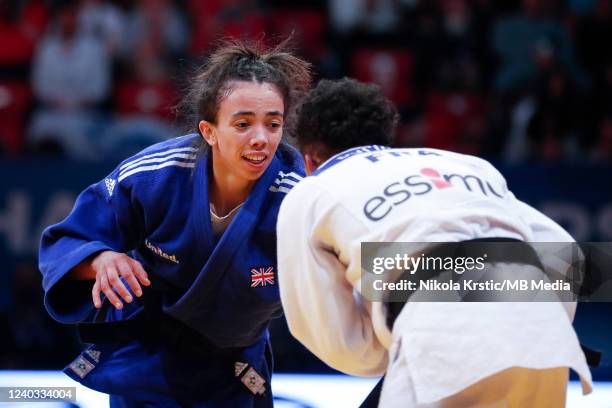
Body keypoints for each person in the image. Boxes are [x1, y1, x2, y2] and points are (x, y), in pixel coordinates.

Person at [276, 78, 593, 407]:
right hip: (542, 331)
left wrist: (393, 334)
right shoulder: (465, 163)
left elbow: (337, 340)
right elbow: (563, 250)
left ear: (309, 160)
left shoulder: (312, 190)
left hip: (440, 330)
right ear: (386, 137)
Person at [39, 40, 311, 407]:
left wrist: (414, 282)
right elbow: (69, 238)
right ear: (209, 131)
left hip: (231, 372)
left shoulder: (300, 197)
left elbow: (364, 258)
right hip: (149, 363)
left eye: (273, 124)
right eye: (243, 123)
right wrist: (100, 260)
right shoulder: (156, 175)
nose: (261, 139)